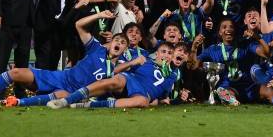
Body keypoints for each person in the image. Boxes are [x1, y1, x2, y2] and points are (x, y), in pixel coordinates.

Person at [0, 10, 129, 107]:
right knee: (16, 72)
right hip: (59, 77)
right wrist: (99, 16)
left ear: (125, 49)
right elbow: (78, 25)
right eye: (117, 40)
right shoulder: (96, 49)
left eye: (123, 43)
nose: (119, 43)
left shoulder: (118, 71)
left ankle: (17, 102)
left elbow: (106, 92)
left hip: (72, 93)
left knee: (61, 95)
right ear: (110, 42)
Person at [48, 42, 179, 109]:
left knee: (142, 102)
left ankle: (87, 105)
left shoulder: (172, 74)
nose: (166, 55)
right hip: (130, 80)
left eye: (169, 53)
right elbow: (116, 67)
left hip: (142, 93)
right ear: (157, 53)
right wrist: (133, 62)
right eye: (163, 52)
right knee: (117, 80)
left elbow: (162, 93)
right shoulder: (144, 58)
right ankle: (67, 100)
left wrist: (156, 99)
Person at [188, 19, 271, 106]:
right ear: (220, 32)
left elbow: (266, 53)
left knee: (268, 90)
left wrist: (257, 37)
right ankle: (228, 98)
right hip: (228, 87)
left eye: (231, 27)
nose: (228, 29)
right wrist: (194, 48)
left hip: (248, 87)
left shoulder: (245, 45)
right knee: (227, 92)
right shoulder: (213, 49)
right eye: (224, 27)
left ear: (235, 31)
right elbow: (193, 66)